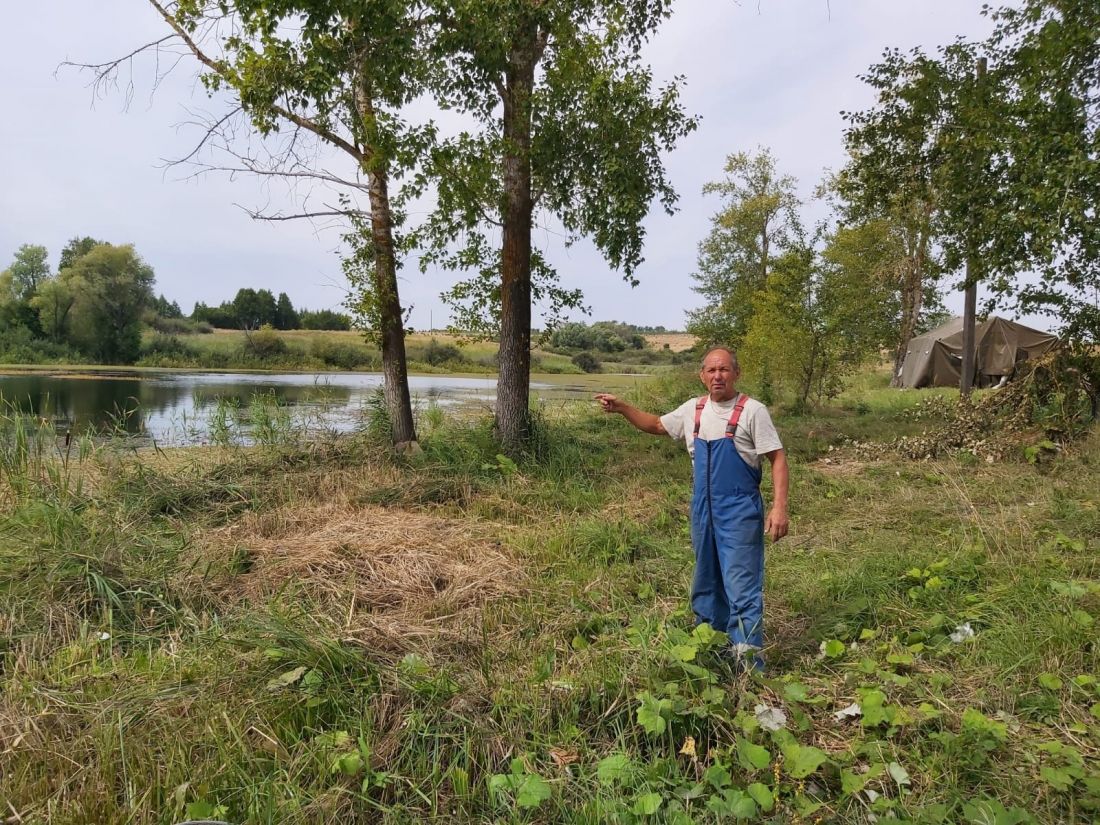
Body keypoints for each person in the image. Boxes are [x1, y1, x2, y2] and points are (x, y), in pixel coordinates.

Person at [595, 347, 789, 669]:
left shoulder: (753, 411)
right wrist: (623, 408)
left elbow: (777, 458)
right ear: (702, 375)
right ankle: (711, 650)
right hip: (702, 509)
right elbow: (656, 425)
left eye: (724, 370)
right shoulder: (693, 409)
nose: (717, 376)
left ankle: (748, 667)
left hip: (739, 509)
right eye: (711, 370)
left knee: (742, 586)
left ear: (736, 374)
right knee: (707, 581)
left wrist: (779, 508)